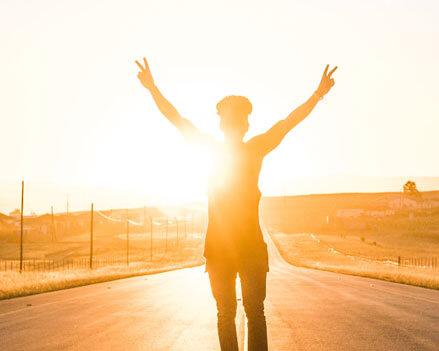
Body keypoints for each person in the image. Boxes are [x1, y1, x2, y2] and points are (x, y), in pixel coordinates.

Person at [135, 57, 337, 351]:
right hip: (244, 248)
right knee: (254, 315)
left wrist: (152, 88)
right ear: (245, 124)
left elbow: (177, 119)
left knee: (226, 315)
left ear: (221, 124)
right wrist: (317, 95)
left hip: (221, 248)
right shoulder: (254, 149)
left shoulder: (212, 149)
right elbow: (288, 123)